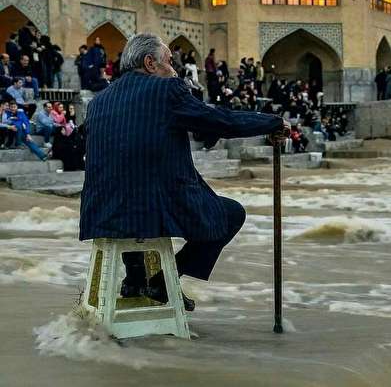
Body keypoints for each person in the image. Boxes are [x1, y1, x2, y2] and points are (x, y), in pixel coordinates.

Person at [79, 33, 290, 311]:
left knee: (135, 202)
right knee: (230, 213)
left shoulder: (99, 101)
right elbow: (222, 120)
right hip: (149, 206)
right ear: (150, 63)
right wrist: (272, 122)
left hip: (100, 210)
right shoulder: (166, 90)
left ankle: (136, 278)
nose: (175, 69)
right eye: (169, 61)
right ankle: (162, 280)